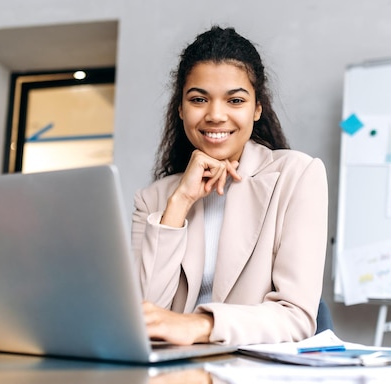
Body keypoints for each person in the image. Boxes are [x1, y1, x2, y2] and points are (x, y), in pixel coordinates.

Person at [132, 26, 328, 346]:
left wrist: (199, 325)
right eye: (199, 99)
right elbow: (145, 313)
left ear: (257, 108)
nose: (216, 115)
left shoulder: (298, 175)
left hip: (257, 383)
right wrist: (180, 201)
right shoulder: (153, 198)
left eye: (235, 100)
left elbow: (296, 316)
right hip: (176, 379)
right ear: (181, 108)